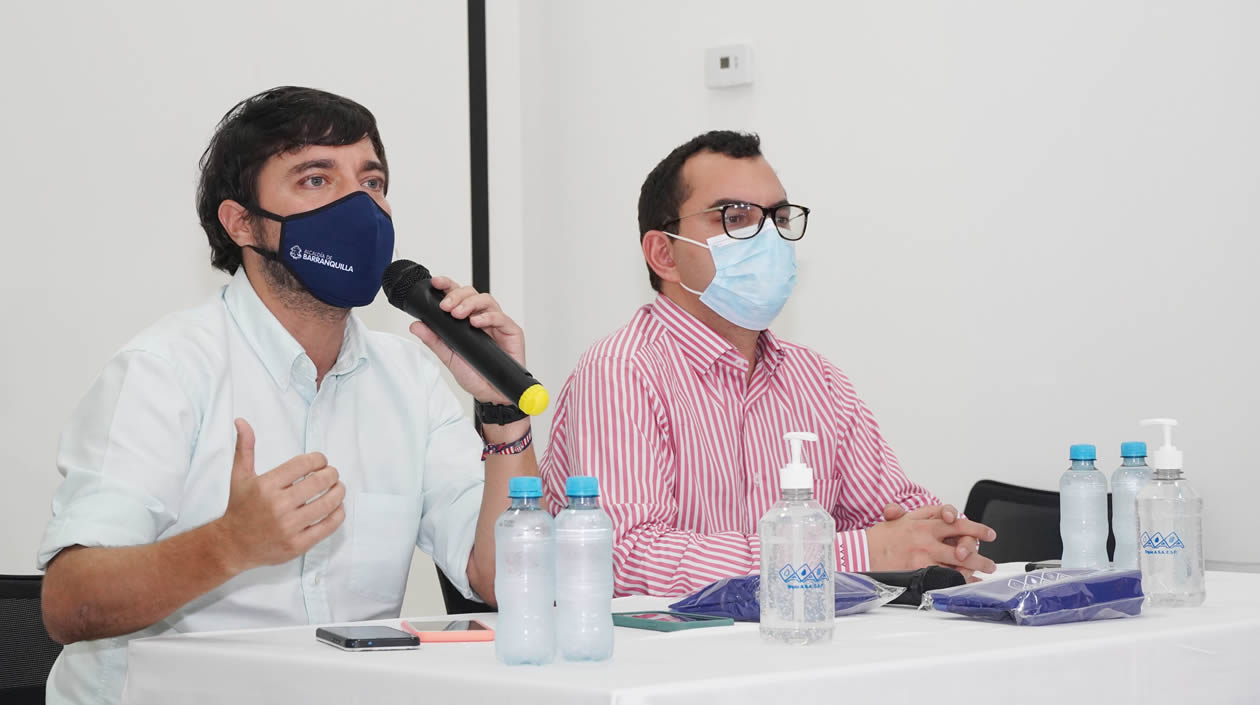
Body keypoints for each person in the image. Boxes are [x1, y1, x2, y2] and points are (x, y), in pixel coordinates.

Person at [37, 86, 537, 704]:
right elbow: (68, 603)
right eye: (316, 179)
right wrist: (229, 545)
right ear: (241, 222)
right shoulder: (163, 370)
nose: (360, 205)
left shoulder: (408, 373)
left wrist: (502, 413)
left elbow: (505, 583)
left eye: (372, 181)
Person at [539, 130, 996, 597]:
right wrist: (856, 553)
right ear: (664, 254)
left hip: (801, 647)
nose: (769, 237)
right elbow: (625, 559)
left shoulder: (816, 378)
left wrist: (939, 537)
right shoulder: (620, 370)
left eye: (778, 217)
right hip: (666, 663)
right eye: (735, 217)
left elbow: (888, 515)